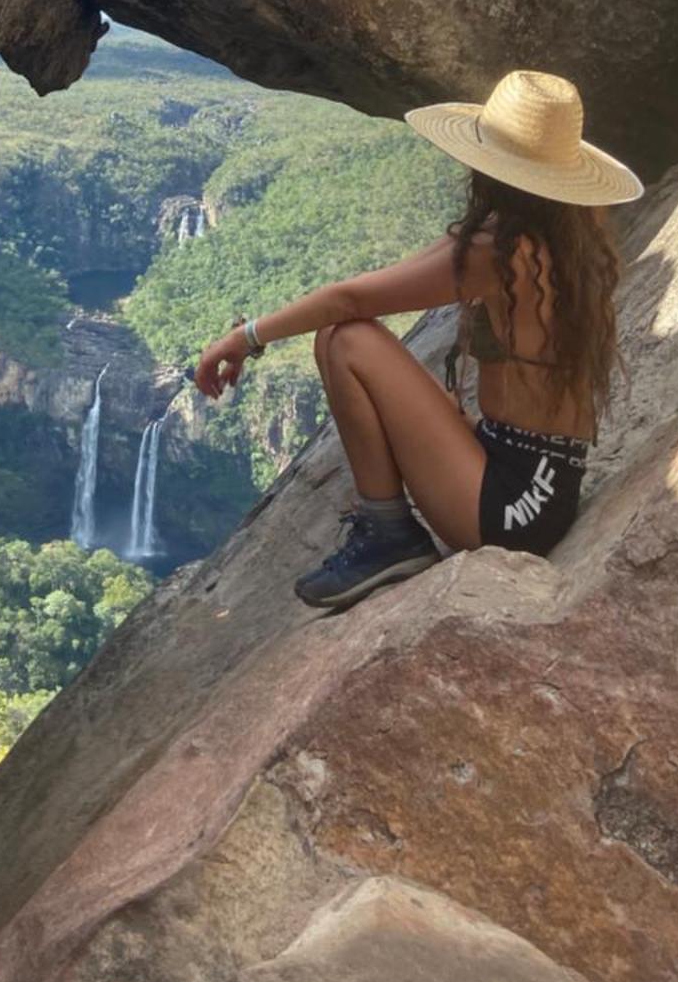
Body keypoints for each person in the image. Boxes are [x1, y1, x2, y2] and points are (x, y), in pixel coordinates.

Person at [192, 70, 643, 609]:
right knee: (349, 333)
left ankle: (389, 534)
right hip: (535, 478)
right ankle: (388, 530)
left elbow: (350, 303)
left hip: (512, 509)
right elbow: (390, 279)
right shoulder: (544, 237)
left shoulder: (501, 253)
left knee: (345, 340)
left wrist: (247, 336)